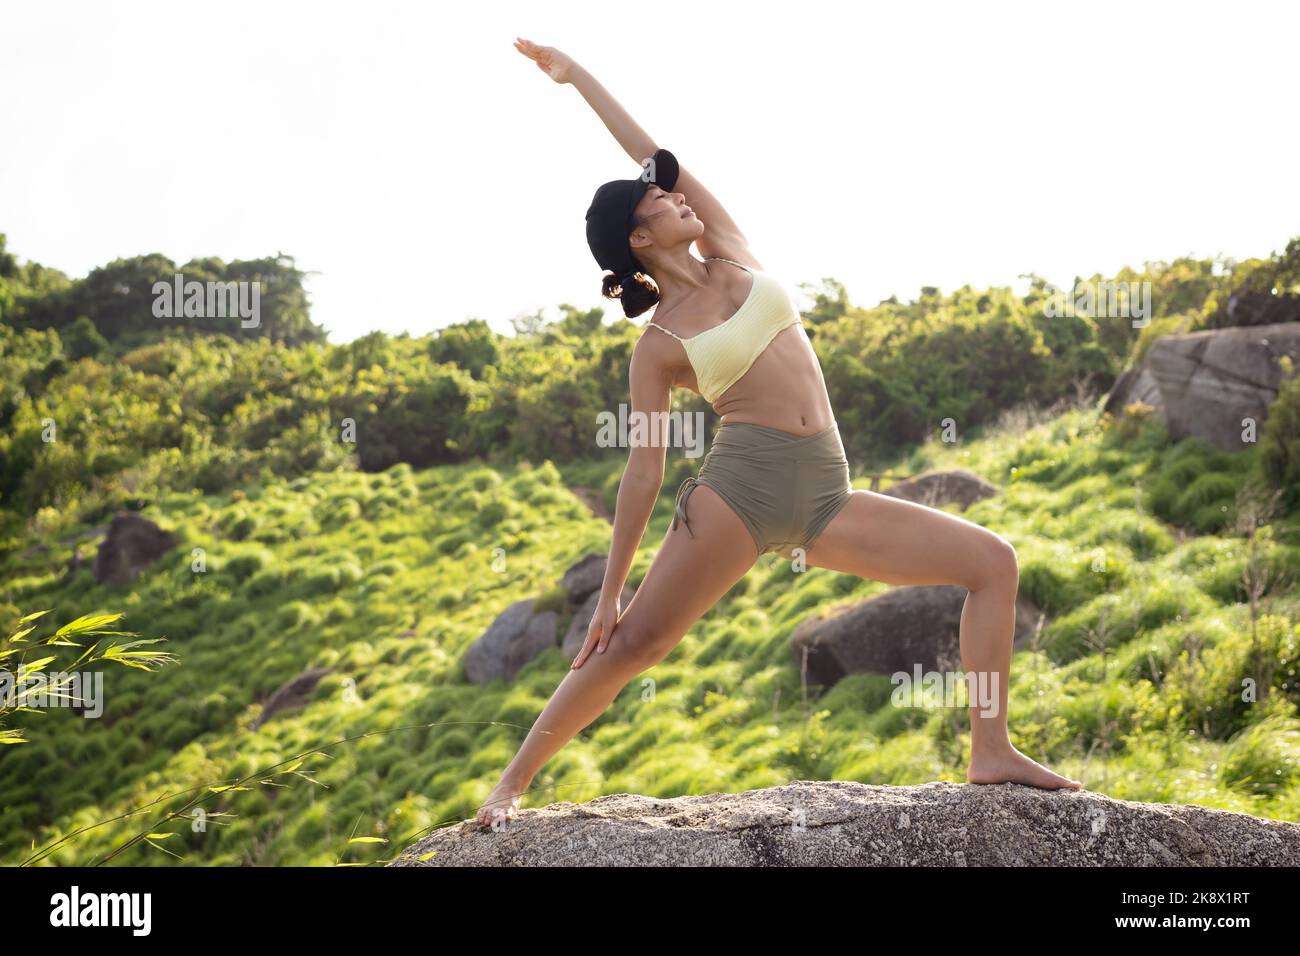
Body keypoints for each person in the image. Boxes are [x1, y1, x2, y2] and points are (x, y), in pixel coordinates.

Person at [475, 38, 1083, 829]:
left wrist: (578, 78)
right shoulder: (659, 346)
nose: (675, 196)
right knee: (633, 650)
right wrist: (613, 587)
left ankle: (991, 748)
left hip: (827, 495)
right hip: (739, 495)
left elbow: (652, 152)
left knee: (992, 564)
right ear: (639, 237)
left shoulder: (729, 248)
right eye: (656, 202)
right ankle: (511, 785)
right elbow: (642, 472)